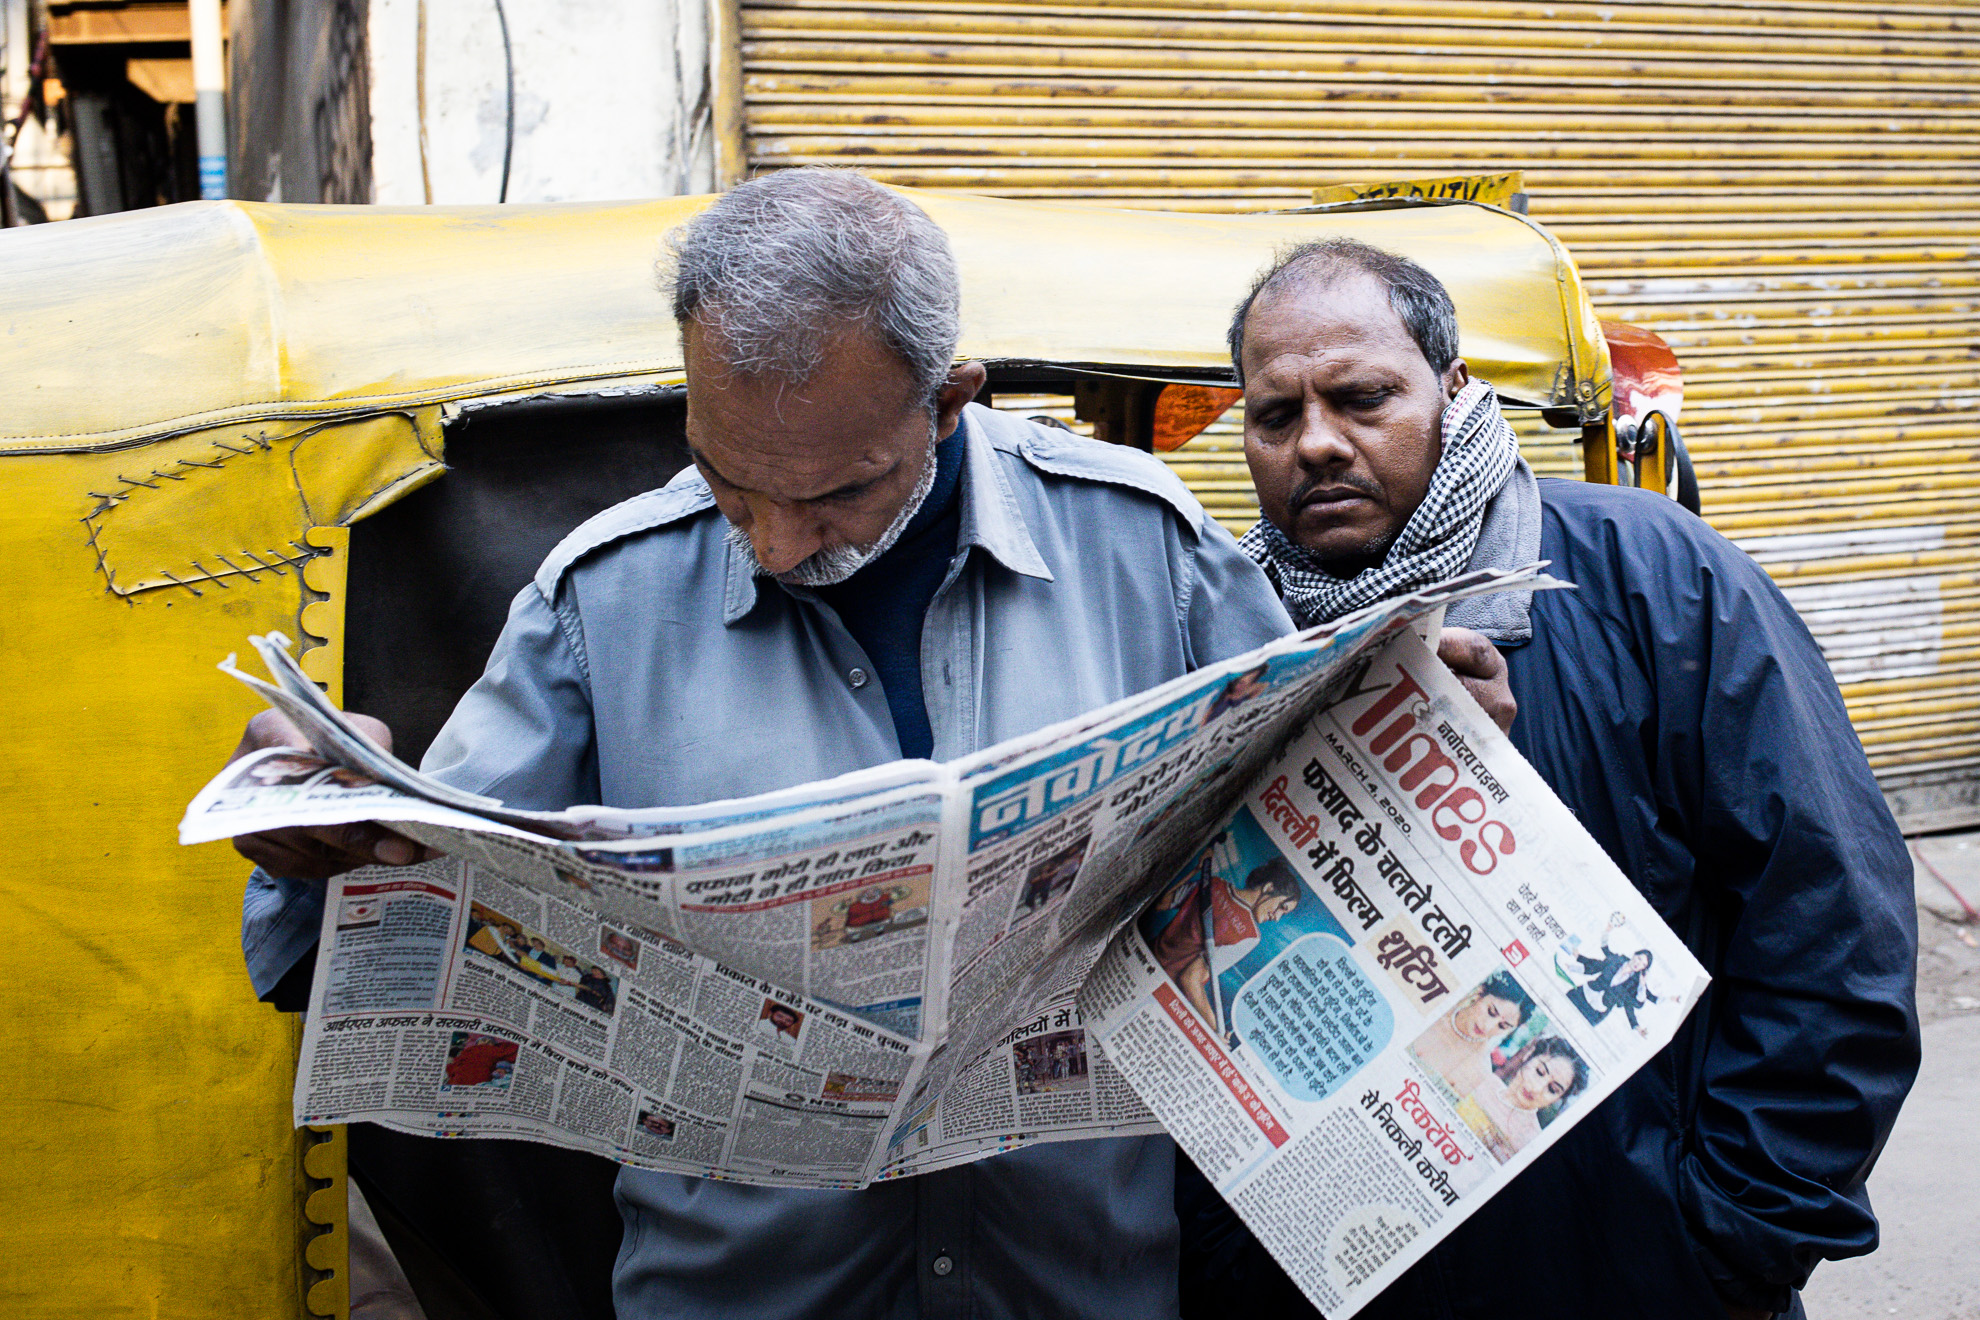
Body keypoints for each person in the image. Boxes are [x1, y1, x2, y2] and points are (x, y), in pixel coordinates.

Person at [229, 167, 1296, 1319]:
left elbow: (1318, 839)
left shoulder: (1147, 549)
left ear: (947, 401)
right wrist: (322, 831)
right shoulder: (605, 600)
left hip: (1074, 1290)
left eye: (837, 493)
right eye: (731, 485)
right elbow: (414, 913)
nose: (779, 545)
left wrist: (1431, 722)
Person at [1187, 236, 1920, 1320]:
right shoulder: (1221, 628)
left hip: (1633, 1272)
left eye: (1362, 398)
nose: (1319, 445)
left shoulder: (1654, 577)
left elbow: (1831, 924)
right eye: (1275, 415)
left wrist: (1723, 1242)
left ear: (1454, 387)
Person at [1143, 850, 1301, 1035]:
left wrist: (1196, 870)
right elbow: (1190, 979)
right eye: (1282, 907)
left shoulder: (1215, 884)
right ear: (1268, 888)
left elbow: (1162, 902)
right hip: (1162, 995)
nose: (1277, 918)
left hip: (1146, 960)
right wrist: (1216, 1030)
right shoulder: (1249, 935)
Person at [1455, 1036, 1588, 1163]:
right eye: (1539, 1072)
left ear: (1557, 1099)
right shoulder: (1485, 1080)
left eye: (1552, 1089)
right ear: (1528, 1057)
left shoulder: (1532, 1142)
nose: (1535, 1088)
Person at [1407, 969, 1534, 1100]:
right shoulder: (1439, 1003)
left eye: (1502, 1026)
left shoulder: (1479, 1072)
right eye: (1491, 1011)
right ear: (1480, 993)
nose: (1488, 1027)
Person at [1567, 923, 1659, 1032]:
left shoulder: (1634, 984)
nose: (1639, 964)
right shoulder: (1616, 960)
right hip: (1582, 994)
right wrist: (1575, 963)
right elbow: (1595, 966)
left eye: (1643, 965)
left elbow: (1632, 1005)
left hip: (1596, 1012)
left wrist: (1637, 1027)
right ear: (1634, 955)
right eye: (1639, 959)